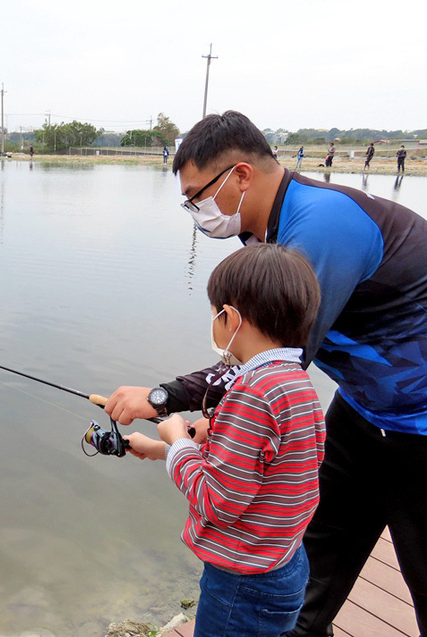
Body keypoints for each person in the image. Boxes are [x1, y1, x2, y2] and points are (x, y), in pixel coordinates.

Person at [105, 110, 427, 637]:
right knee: (313, 560)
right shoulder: (260, 236)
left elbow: (268, 359)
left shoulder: (322, 226)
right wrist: (190, 432)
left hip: (420, 423)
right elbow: (261, 379)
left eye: (196, 196)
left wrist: (163, 401)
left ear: (240, 175)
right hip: (363, 407)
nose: (195, 210)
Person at [126, 243, 325, 637]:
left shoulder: (252, 393)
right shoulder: (297, 384)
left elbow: (218, 501)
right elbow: (268, 470)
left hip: (243, 580)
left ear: (230, 318)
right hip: (283, 561)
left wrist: (178, 439)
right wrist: (164, 450)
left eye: (215, 313)